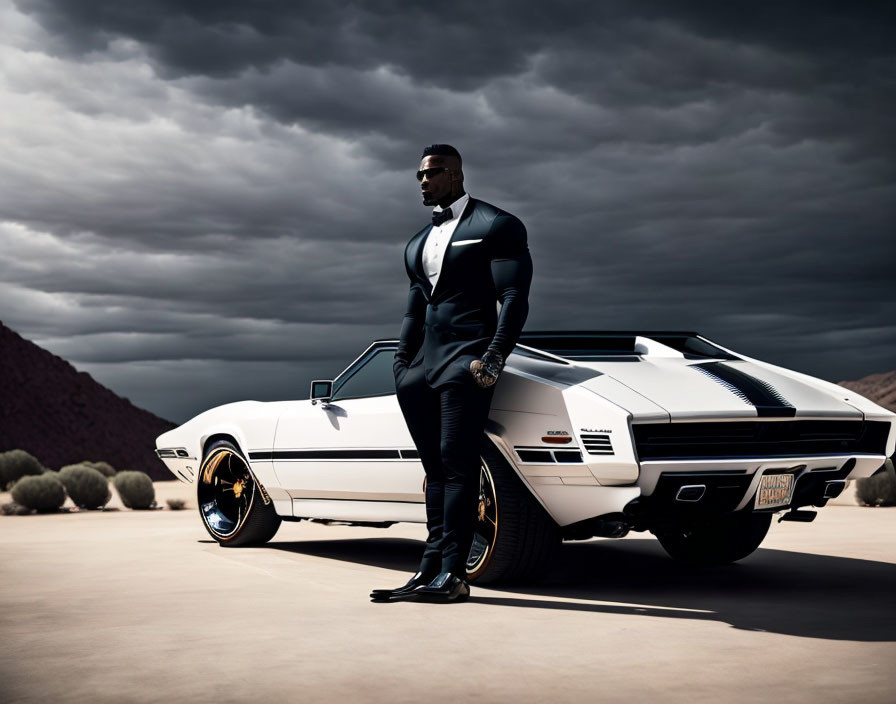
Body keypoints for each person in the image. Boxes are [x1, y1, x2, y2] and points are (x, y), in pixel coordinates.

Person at [370, 144, 533, 604]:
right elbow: (414, 309)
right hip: (421, 370)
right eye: (420, 175)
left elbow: (515, 297)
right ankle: (428, 570)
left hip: (468, 362)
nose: (424, 180)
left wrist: (494, 357)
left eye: (433, 172)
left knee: (459, 467)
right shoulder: (418, 242)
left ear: (457, 175)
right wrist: (401, 365)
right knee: (435, 472)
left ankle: (454, 576)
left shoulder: (496, 225)